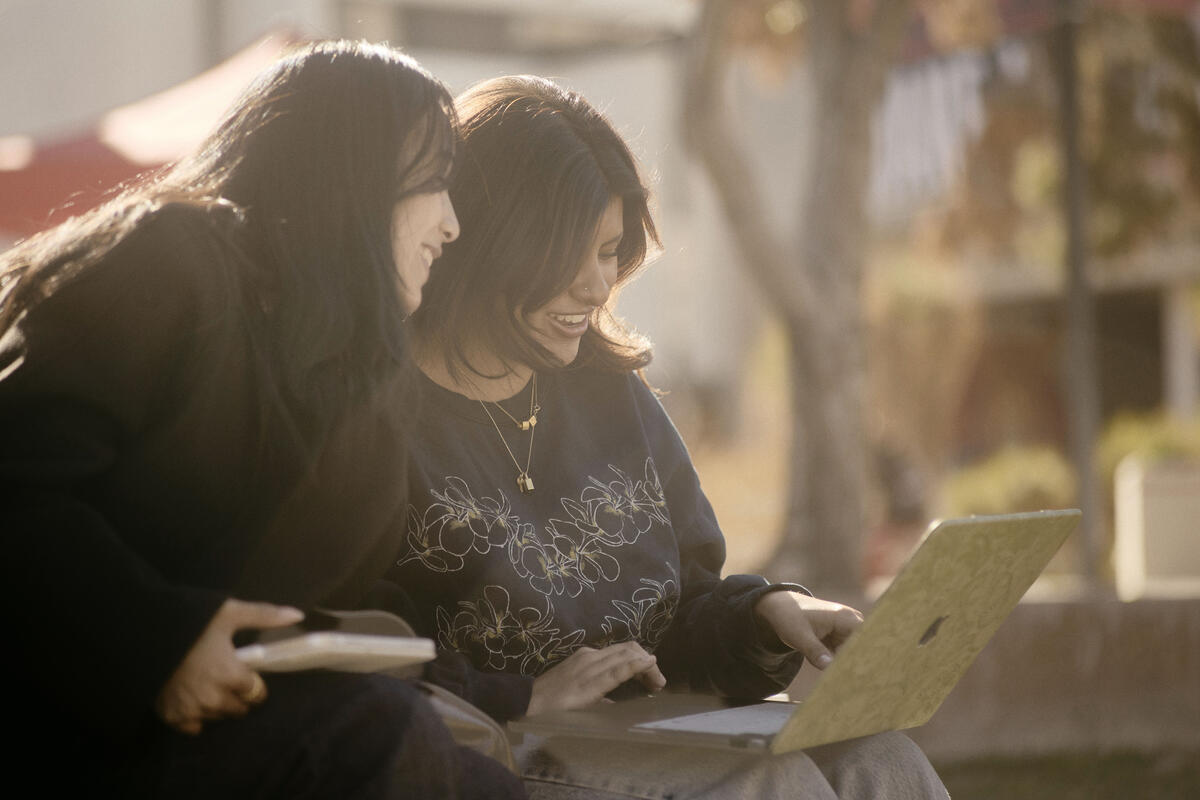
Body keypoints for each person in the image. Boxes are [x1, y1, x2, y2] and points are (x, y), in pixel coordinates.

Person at [383, 76, 950, 799]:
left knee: (883, 761)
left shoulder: (609, 392)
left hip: (661, 730)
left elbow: (683, 607)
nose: (598, 286)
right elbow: (365, 643)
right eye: (573, 255)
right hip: (502, 750)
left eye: (610, 252)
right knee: (772, 786)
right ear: (495, 240)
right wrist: (521, 695)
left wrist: (768, 614)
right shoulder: (378, 418)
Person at [1, 41, 525, 798]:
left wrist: (521, 692)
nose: (451, 225)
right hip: (74, 725)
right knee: (381, 736)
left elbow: (356, 606)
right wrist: (162, 645)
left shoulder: (354, 372)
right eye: (435, 182)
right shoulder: (166, 262)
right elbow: (12, 487)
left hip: (244, 729)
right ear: (352, 173)